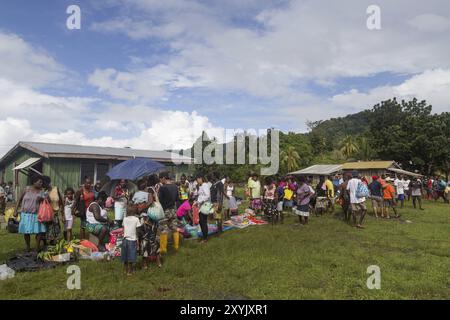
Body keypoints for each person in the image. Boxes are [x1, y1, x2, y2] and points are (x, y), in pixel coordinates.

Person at [14, 175, 46, 252]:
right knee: (26, 231)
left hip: (37, 214)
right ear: (34, 182)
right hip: (26, 214)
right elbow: (19, 200)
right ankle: (28, 247)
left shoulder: (42, 192)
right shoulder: (26, 189)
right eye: (40, 182)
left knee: (39, 231)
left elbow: (46, 202)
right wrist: (15, 210)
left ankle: (37, 247)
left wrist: (42, 199)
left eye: (42, 182)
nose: (41, 183)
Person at [158, 172, 180, 253]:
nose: (160, 181)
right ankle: (176, 246)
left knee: (163, 229)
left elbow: (160, 201)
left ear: (163, 178)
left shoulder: (162, 188)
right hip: (173, 209)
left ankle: (163, 248)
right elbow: (177, 199)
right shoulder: (175, 186)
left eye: (160, 179)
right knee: (174, 227)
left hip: (165, 210)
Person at [121, 205, 141, 276]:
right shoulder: (136, 219)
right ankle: (130, 271)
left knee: (125, 255)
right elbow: (138, 230)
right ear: (135, 211)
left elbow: (123, 227)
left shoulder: (125, 219)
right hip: (132, 240)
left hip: (125, 239)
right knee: (131, 256)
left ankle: (125, 270)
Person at [43, 177, 63, 245]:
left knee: (56, 231)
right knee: (48, 231)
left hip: (55, 214)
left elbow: (61, 201)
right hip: (47, 215)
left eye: (46, 183)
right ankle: (46, 245)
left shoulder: (56, 189)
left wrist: (63, 214)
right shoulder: (44, 192)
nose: (45, 184)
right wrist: (46, 196)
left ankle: (54, 245)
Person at [196, 174, 211, 243]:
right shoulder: (201, 186)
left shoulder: (205, 185)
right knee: (201, 222)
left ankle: (205, 238)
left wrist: (200, 201)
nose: (197, 181)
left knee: (203, 222)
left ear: (201, 178)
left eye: (197, 179)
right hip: (200, 206)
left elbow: (207, 195)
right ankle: (204, 236)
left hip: (204, 206)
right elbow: (200, 194)